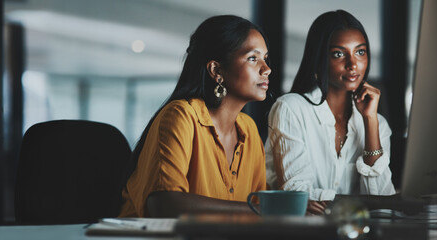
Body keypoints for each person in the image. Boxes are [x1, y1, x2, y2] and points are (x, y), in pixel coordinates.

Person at [119, 15, 271, 218]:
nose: (266, 69)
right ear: (216, 70)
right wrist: (257, 210)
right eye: (253, 58)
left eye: (265, 58)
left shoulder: (249, 129)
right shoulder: (180, 116)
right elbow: (165, 204)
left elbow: (260, 204)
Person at [265, 10, 395, 214]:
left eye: (360, 52)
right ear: (319, 58)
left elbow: (385, 204)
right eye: (339, 54)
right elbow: (297, 195)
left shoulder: (379, 124)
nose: (353, 64)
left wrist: (370, 122)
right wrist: (362, 204)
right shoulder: (291, 109)